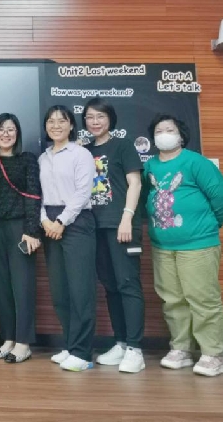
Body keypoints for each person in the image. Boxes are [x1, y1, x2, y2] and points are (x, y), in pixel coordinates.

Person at [144, 114, 223, 377]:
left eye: (169, 129)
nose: (164, 134)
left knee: (203, 299)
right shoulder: (150, 166)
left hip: (198, 244)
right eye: (159, 130)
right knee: (172, 300)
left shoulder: (196, 162)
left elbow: (222, 196)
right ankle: (181, 348)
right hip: (162, 245)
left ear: (181, 135)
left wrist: (208, 225)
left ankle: (212, 354)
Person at [83, 98, 145, 374]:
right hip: (94, 228)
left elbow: (135, 183)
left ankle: (135, 349)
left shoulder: (123, 145)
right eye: (90, 117)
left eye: (100, 116)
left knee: (128, 284)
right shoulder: (84, 151)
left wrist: (127, 217)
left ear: (110, 119)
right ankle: (121, 343)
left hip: (121, 226)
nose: (95, 121)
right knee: (110, 286)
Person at [39, 105, 97, 372]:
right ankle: (70, 344)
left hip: (76, 222)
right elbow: (37, 194)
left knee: (80, 290)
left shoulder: (80, 154)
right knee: (60, 291)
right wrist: (44, 220)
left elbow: (83, 193)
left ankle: (83, 353)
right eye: (51, 121)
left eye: (62, 121)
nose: (56, 126)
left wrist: (62, 221)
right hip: (49, 222)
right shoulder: (43, 158)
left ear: (71, 125)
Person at [0, 113, 41, 364]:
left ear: (17, 134)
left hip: (20, 229)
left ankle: (23, 343)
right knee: (1, 287)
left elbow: (34, 195)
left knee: (22, 287)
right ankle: (8, 338)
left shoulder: (27, 159)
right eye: (1, 129)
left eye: (10, 129)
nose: (5, 134)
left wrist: (32, 230)